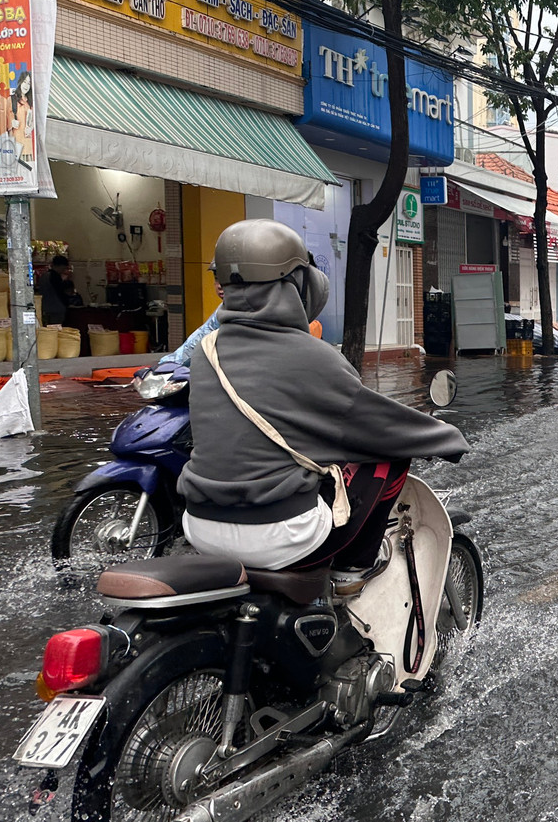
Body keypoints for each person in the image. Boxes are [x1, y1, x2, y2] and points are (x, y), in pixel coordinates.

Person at [178, 219, 469, 575]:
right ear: (295, 285)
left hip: (199, 527)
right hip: (277, 535)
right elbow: (378, 426)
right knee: (389, 458)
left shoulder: (204, 352)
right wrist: (447, 438)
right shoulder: (313, 356)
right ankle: (355, 568)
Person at [38, 255, 77, 327]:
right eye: (64, 268)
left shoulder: (44, 275)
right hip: (56, 310)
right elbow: (61, 291)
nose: (64, 270)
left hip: (45, 309)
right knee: (56, 332)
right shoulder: (54, 276)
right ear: (61, 266)